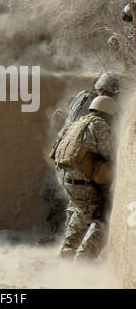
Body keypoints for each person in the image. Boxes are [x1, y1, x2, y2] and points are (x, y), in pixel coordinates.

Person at [52, 95, 118, 261]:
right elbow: (110, 153)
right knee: (102, 214)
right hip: (79, 178)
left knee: (81, 210)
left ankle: (67, 251)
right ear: (108, 113)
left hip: (65, 176)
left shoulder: (78, 122)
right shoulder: (100, 125)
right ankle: (84, 258)